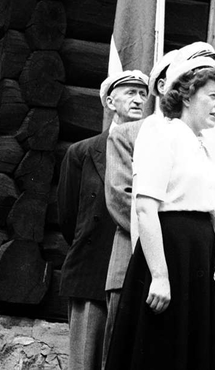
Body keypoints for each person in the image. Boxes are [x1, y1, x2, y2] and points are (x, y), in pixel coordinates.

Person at [105, 52, 215, 370]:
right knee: (160, 349)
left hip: (199, 256)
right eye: (212, 96)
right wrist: (160, 276)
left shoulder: (210, 143)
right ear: (187, 94)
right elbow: (145, 208)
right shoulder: (161, 132)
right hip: (168, 251)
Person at [59, 70, 147, 370]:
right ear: (110, 101)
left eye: (143, 93)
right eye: (130, 92)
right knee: (86, 361)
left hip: (134, 266)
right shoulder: (81, 153)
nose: (138, 99)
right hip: (92, 269)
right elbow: (68, 217)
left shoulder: (153, 149)